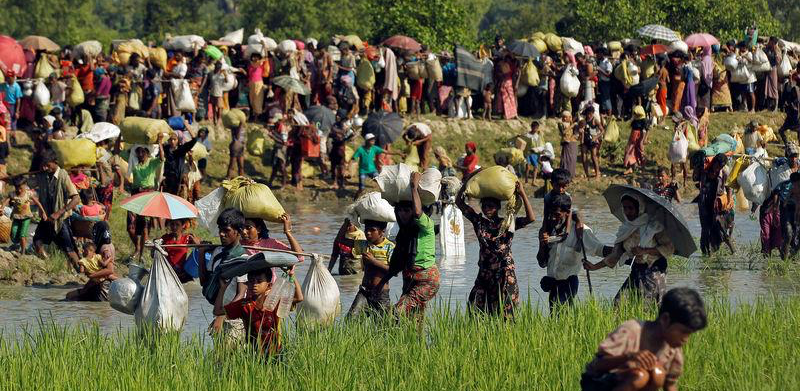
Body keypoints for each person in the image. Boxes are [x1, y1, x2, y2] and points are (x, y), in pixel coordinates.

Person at [580, 287, 708, 391]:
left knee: (658, 374)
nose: (685, 339)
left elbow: (670, 385)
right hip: (599, 383)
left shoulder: (673, 349)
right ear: (665, 319)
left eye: (689, 334)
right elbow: (598, 365)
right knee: (639, 376)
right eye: (683, 332)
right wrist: (629, 357)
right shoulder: (632, 330)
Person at [456, 179, 535, 317]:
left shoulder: (508, 222)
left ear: (498, 207)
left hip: (504, 272)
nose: (487, 209)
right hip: (485, 273)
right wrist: (469, 181)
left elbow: (531, 218)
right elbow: (459, 203)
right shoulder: (479, 222)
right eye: (485, 206)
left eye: (491, 206)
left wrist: (522, 193)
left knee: (505, 312)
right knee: (476, 309)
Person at [584, 192, 675, 304]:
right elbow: (615, 255)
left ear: (639, 208)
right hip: (637, 269)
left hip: (655, 271)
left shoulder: (653, 226)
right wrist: (594, 267)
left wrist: (645, 251)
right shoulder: (626, 228)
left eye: (630, 208)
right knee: (618, 305)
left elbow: (669, 248)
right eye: (625, 208)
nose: (627, 212)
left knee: (647, 308)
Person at [375, 172, 439, 320]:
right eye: (400, 210)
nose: (403, 214)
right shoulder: (403, 234)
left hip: (426, 280)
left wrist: (414, 187)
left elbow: (417, 212)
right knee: (413, 320)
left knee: (397, 312)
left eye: (407, 210)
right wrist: (382, 283)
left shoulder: (426, 225)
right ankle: (415, 342)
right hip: (409, 278)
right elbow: (397, 263)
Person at [538, 194, 605, 309]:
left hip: (568, 282)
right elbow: (542, 263)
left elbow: (600, 249)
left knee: (563, 314)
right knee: (555, 316)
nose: (553, 218)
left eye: (557, 215)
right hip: (552, 283)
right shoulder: (548, 230)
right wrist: (542, 244)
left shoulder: (580, 231)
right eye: (550, 214)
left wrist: (622, 251)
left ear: (567, 213)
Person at [223, 266, 303, 355]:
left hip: (276, 351)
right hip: (254, 353)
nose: (255, 284)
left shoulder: (274, 301)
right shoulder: (244, 304)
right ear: (247, 284)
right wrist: (222, 288)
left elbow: (299, 298)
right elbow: (219, 311)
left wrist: (292, 276)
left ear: (269, 285)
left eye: (259, 281)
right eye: (251, 281)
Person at [32, 150, 81, 268]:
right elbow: (28, 184)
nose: (45, 168)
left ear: (55, 163)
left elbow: (76, 198)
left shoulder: (63, 176)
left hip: (60, 220)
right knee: (37, 241)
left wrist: (59, 212)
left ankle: (81, 272)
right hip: (47, 217)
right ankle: (49, 265)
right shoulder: (43, 175)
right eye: (43, 165)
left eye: (47, 165)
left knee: (69, 250)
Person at [343, 219, 395, 317]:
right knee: (351, 319)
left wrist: (374, 261)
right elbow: (341, 240)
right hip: (364, 291)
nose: (368, 233)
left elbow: (394, 271)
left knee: (384, 324)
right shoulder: (364, 245)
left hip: (381, 293)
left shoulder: (390, 246)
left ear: (382, 231)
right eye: (366, 229)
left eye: (372, 230)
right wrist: (346, 224)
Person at [128, 138, 165, 260]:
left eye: (143, 152)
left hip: (147, 196)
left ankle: (142, 254)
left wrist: (159, 143)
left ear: (147, 153)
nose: (140, 154)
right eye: (138, 152)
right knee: (130, 227)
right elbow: (119, 153)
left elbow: (161, 158)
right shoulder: (135, 165)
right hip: (135, 195)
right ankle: (137, 247)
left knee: (144, 228)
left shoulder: (151, 163)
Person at [697, 153, 735, 255]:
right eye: (718, 165)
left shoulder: (724, 172)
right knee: (705, 229)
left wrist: (729, 200)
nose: (718, 168)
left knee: (721, 228)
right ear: (714, 163)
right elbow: (700, 185)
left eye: (721, 166)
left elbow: (728, 187)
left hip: (717, 204)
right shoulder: (705, 170)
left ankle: (732, 251)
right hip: (705, 203)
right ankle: (705, 252)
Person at [2, 177, 46, 253]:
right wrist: (2, 208)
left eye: (20, 188)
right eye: (17, 188)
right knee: (13, 233)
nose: (19, 190)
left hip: (26, 218)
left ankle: (23, 252)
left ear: (25, 185)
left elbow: (38, 202)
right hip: (16, 217)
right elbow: (6, 200)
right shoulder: (13, 194)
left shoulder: (28, 193)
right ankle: (18, 245)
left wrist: (43, 212)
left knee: (22, 235)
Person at [161, 219, 200, 283]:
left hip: (182, 274)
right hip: (167, 272)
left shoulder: (187, 238)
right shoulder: (165, 238)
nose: (174, 227)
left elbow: (199, 246)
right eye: (172, 224)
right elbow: (154, 254)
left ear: (183, 225)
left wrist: (196, 242)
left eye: (177, 225)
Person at [162, 128, 198, 195]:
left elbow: (194, 140)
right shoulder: (166, 148)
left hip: (178, 179)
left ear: (178, 140)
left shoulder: (182, 149)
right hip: (167, 179)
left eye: (174, 139)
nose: (172, 141)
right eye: (170, 139)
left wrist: (187, 126)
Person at [579, 106, 604, 179]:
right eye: (588, 114)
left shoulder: (595, 120)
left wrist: (596, 137)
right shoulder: (584, 120)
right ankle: (587, 174)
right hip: (585, 140)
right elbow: (580, 128)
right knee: (583, 157)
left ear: (593, 113)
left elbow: (602, 130)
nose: (589, 115)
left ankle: (597, 174)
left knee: (593, 157)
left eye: (590, 114)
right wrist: (580, 131)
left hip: (593, 141)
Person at [623, 106, 648, 175]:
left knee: (640, 151)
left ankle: (643, 168)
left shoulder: (644, 120)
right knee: (629, 150)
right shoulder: (635, 119)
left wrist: (644, 139)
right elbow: (631, 127)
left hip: (640, 136)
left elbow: (646, 130)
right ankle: (629, 167)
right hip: (633, 136)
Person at [778, 72, 800, 146]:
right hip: (793, 116)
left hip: (794, 117)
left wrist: (788, 105)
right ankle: (788, 144)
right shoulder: (793, 88)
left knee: (782, 130)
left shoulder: (796, 89)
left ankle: (788, 144)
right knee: (782, 130)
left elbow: (795, 105)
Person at [558, 111, 578, 178]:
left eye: (570, 117)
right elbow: (563, 132)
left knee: (572, 159)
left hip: (571, 142)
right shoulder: (561, 123)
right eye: (569, 117)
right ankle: (565, 173)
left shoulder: (569, 123)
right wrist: (572, 125)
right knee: (566, 159)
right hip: (566, 142)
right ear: (565, 118)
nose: (570, 118)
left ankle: (571, 173)